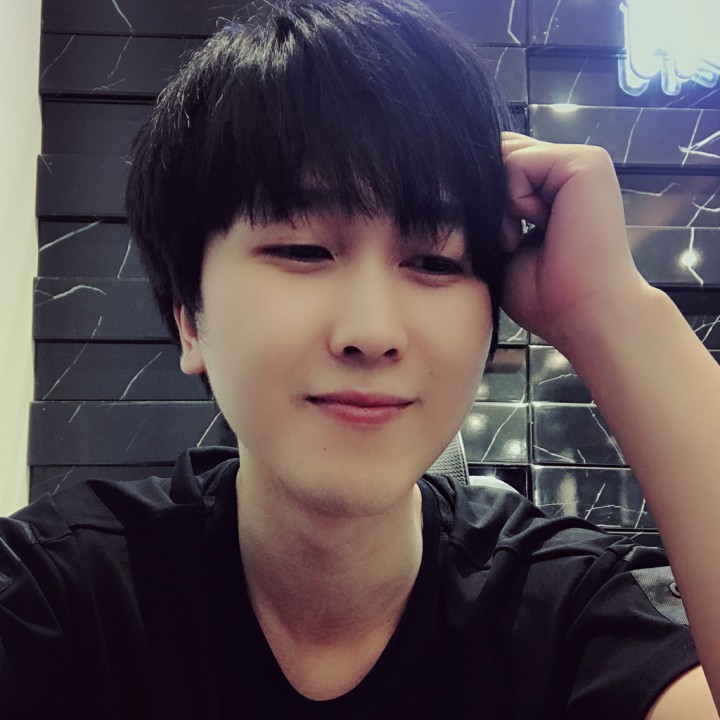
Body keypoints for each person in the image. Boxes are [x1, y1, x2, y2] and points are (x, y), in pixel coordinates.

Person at [2, 0, 719, 717]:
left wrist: (610, 312)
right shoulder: (62, 597)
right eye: (302, 250)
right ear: (190, 319)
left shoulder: (556, 609)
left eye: (436, 261)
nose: (373, 332)